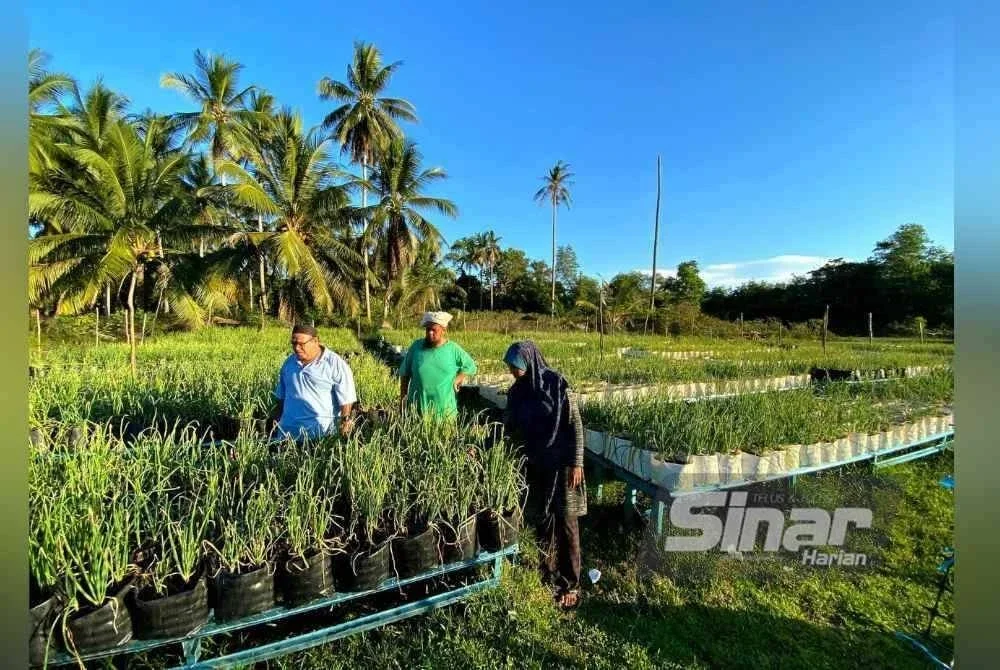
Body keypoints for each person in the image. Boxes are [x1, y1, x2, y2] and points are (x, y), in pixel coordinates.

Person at [502, 340, 587, 609]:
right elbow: (507, 426)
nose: (512, 371)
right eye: (510, 366)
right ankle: (547, 573)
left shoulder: (557, 385)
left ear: (530, 361)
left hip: (563, 465)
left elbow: (575, 425)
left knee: (567, 523)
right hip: (536, 463)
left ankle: (571, 583)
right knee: (543, 520)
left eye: (516, 365)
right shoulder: (517, 392)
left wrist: (576, 463)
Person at [271, 324, 358, 440]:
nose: (297, 348)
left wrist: (345, 422)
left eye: (301, 344)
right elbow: (281, 397)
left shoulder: (334, 364)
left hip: (320, 436)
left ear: (315, 341)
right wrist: (275, 422)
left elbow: (346, 399)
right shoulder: (289, 363)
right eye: (294, 343)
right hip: (287, 434)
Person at [398, 311, 477, 419]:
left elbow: (470, 365)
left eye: (434, 330)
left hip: (444, 411)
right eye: (427, 329)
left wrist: (458, 379)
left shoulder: (453, 349)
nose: (430, 333)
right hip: (417, 409)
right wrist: (403, 400)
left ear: (443, 330)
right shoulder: (416, 347)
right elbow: (404, 373)